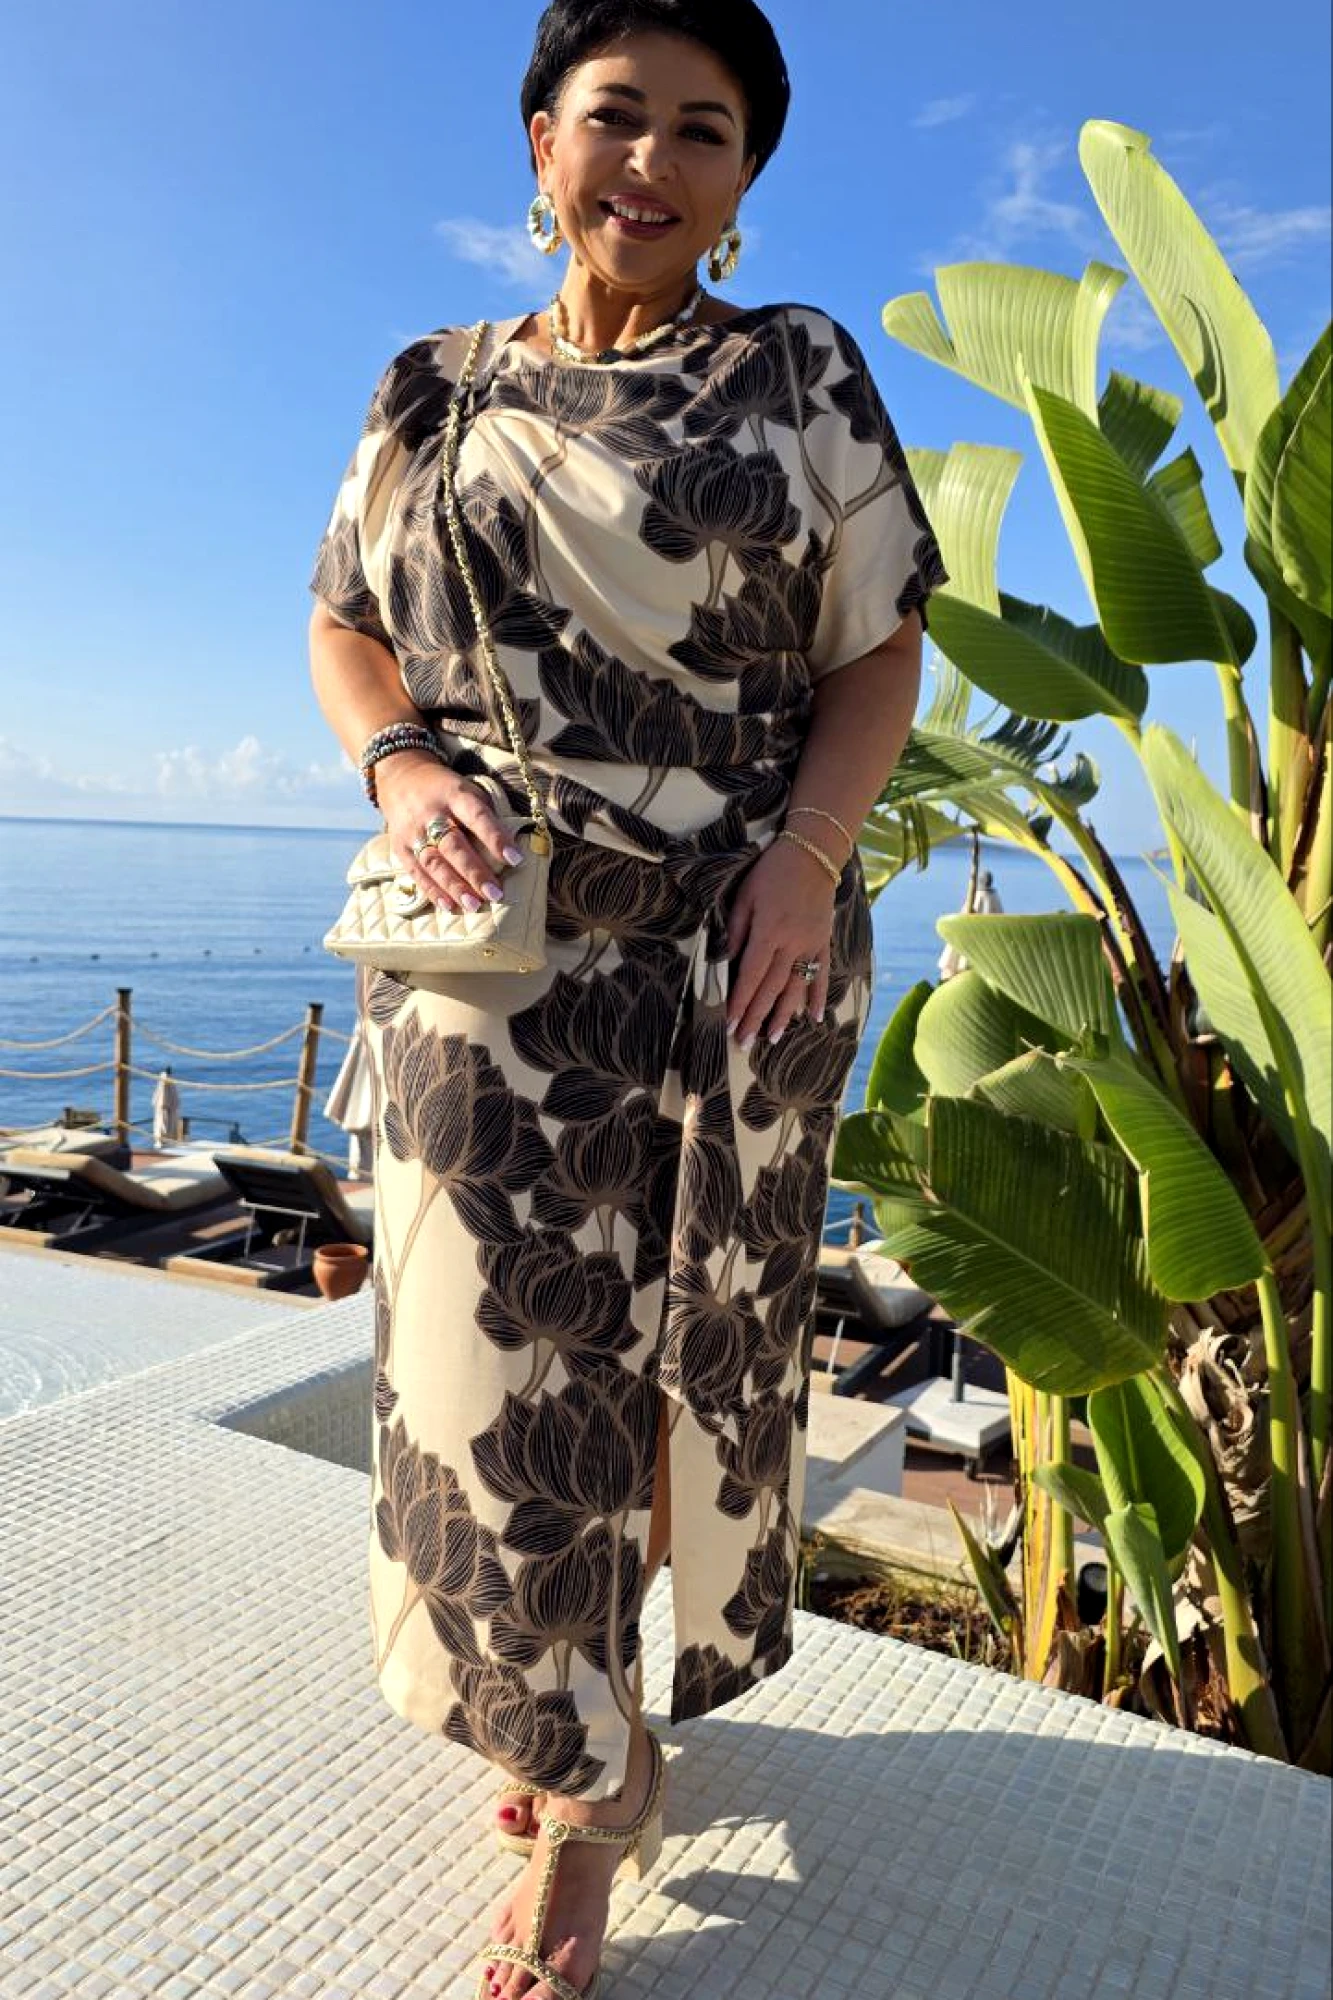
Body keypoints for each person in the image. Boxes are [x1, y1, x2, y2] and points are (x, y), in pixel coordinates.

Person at [307, 4, 945, 1994]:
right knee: (483, 1390)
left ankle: (587, 1775)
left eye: (704, 129)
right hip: (482, 968)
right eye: (617, 117)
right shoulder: (431, 388)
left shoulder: (798, 373)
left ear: (745, 176)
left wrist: (810, 859)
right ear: (541, 141)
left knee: (672, 1388)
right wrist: (398, 764)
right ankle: (579, 1748)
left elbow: (878, 646)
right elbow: (341, 621)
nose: (653, 162)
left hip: (733, 956)